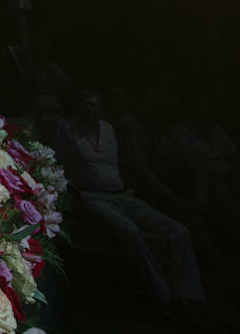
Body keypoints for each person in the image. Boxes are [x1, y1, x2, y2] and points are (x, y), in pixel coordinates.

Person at [54, 89, 206, 316]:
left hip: (122, 195)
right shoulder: (67, 129)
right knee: (130, 232)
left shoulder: (108, 129)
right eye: (85, 104)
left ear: (102, 108)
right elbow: (59, 165)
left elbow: (121, 164)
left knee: (178, 231)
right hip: (91, 197)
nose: (90, 109)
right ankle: (165, 298)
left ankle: (189, 297)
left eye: (95, 105)